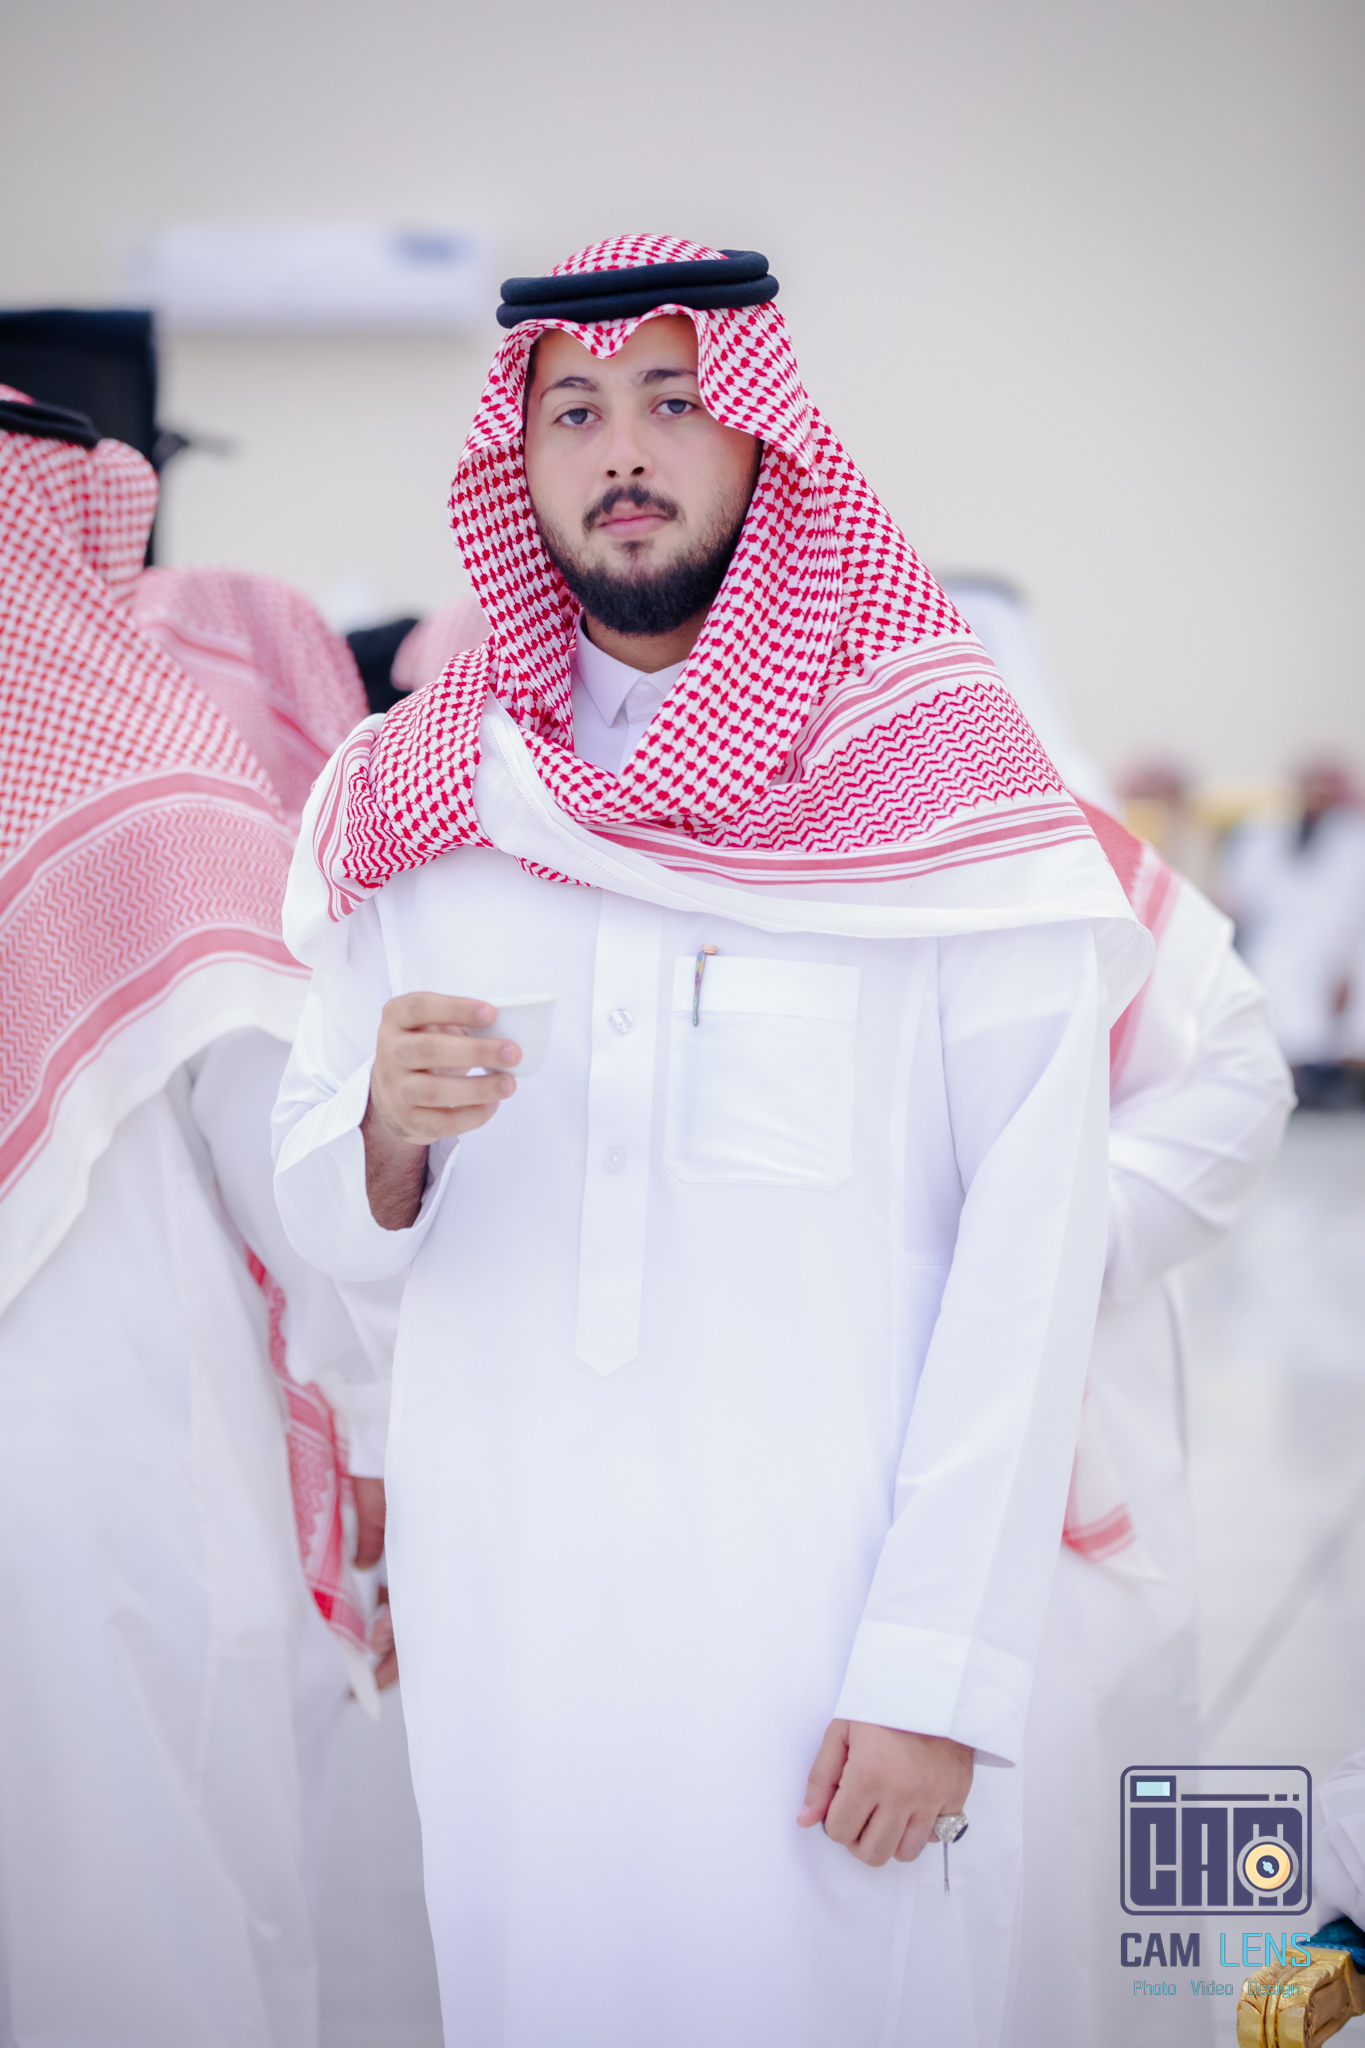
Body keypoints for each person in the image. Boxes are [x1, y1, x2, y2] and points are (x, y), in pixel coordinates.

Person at [272, 235, 1153, 2048]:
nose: (624, 448)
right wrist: (380, 1132)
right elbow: (325, 1220)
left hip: (815, 1652)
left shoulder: (944, 791)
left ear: (764, 435)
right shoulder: (422, 801)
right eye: (575, 410)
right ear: (515, 462)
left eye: (675, 400)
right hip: (516, 1639)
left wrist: (936, 1669)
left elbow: (1031, 1257)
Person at [0, 391, 379, 2046]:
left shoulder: (141, 777)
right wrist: (378, 1415)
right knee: (149, 1895)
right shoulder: (157, 777)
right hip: (113, 1448)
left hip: (100, 1449)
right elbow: (301, 1172)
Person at [993, 802, 1292, 2045]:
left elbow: (1242, 1072)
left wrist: (1040, 1229)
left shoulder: (1044, 835)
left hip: (1076, 1405)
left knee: (1081, 1807)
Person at [1219, 757, 1365, 1106]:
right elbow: (1241, 894)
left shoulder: (1355, 838)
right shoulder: (1263, 833)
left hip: (1345, 943)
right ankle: (1298, 1079)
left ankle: (1342, 1080)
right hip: (1278, 941)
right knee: (1279, 985)